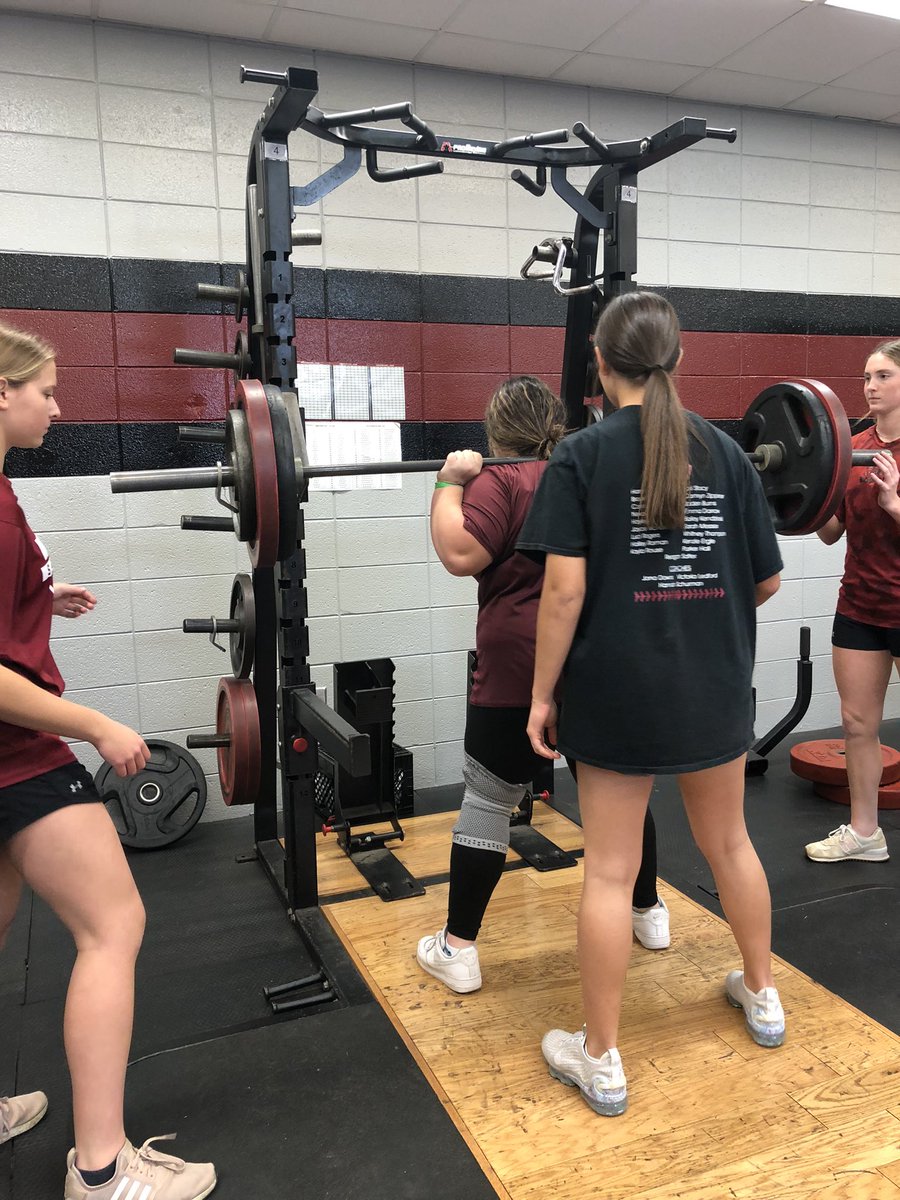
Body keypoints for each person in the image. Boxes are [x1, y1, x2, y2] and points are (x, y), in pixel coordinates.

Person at [519, 291, 785, 1117]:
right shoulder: (728, 453)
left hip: (617, 695)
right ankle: (764, 995)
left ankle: (601, 1059)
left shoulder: (581, 455)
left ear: (600, 363)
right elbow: (768, 581)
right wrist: (703, 599)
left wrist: (540, 695)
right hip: (713, 689)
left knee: (610, 870)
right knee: (730, 845)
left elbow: (563, 595)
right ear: (679, 357)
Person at [0, 322, 217, 1200]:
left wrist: (37, 598)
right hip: (16, 752)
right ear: (1, 392)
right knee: (112, 925)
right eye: (46, 391)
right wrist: (96, 725)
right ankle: (101, 1170)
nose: (57, 407)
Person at [415, 375, 670, 996]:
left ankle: (458, 948)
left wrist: (449, 481)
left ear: (496, 431)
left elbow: (460, 554)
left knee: (487, 799)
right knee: (617, 796)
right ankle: (647, 913)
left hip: (518, 664)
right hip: (591, 658)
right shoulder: (583, 472)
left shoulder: (498, 480)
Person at [805, 341, 900, 863]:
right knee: (858, 724)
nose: (870, 386)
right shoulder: (853, 448)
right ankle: (866, 833)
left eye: (883, 375)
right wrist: (801, 496)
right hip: (861, 606)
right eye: (867, 376)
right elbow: (830, 531)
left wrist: (893, 503)